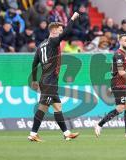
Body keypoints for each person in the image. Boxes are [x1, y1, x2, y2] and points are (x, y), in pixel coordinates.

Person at [28, 12, 80, 142]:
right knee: (43, 107)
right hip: (50, 81)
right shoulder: (53, 41)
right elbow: (68, 31)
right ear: (54, 31)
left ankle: (66, 133)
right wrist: (72, 18)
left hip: (46, 80)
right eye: (60, 30)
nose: (62, 32)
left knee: (58, 107)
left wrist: (34, 79)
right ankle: (33, 133)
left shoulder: (41, 46)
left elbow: (34, 63)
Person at [94, 34, 126, 138]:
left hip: (121, 84)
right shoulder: (119, 54)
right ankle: (99, 124)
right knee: (120, 108)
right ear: (120, 42)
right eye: (125, 40)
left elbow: (113, 69)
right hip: (118, 84)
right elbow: (120, 72)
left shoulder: (123, 54)